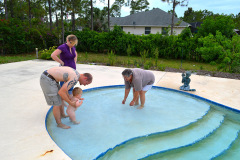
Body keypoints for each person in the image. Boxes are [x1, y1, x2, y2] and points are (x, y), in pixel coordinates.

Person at [51, 34, 78, 118]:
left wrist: (74, 62)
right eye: (72, 43)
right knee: (63, 91)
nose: (73, 45)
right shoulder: (62, 47)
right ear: (68, 41)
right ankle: (62, 112)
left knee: (69, 90)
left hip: (72, 71)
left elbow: (75, 54)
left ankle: (68, 107)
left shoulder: (73, 47)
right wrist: (61, 62)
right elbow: (53, 55)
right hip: (65, 73)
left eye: (74, 43)